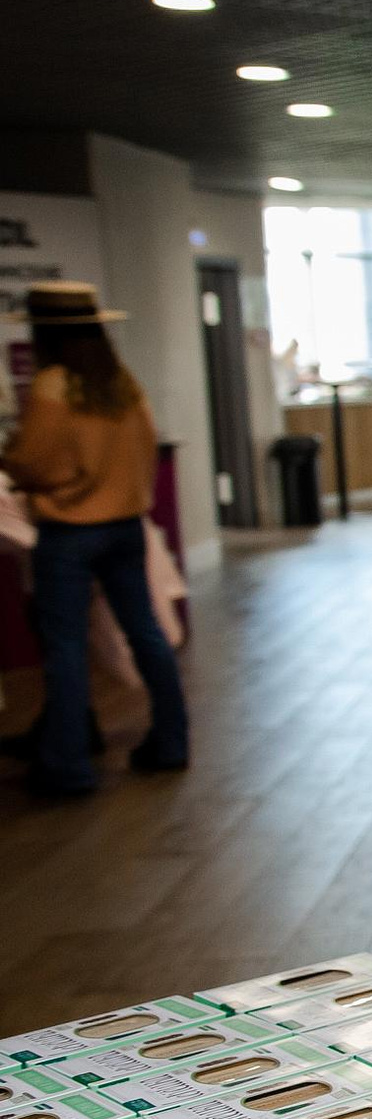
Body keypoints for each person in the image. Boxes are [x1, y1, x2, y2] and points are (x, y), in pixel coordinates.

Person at [1, 282, 190, 796]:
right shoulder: (120, 382)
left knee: (65, 646)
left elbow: (32, 460)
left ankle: (67, 765)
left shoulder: (53, 385)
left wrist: (14, 459)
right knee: (145, 632)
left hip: (69, 531)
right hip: (125, 526)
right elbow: (144, 450)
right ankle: (171, 740)